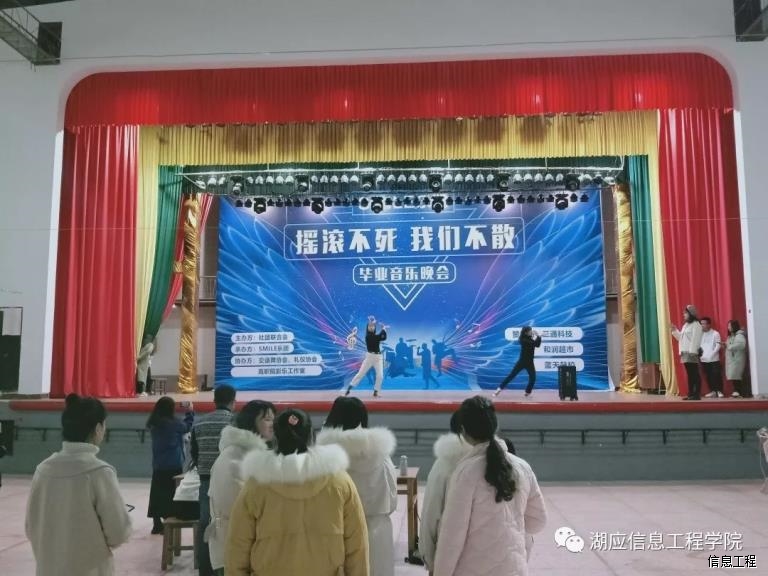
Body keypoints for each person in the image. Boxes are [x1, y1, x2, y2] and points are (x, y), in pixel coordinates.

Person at [226, 408, 369, 576]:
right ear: (311, 436)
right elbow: (357, 545)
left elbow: (237, 545)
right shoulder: (340, 481)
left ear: (276, 437)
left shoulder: (256, 485)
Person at [433, 396, 547, 576]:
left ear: (463, 431)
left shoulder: (466, 473)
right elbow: (537, 522)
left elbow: (452, 535)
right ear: (494, 425)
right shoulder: (522, 467)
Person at [26, 394, 132, 576]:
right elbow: (118, 532)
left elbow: (31, 527)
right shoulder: (99, 472)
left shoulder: (42, 470)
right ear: (98, 428)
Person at [317, 397, 398, 576]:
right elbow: (392, 496)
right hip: (377, 528)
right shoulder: (380, 450)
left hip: (338, 531)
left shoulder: (325, 454)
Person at [207, 400, 274, 576]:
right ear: (251, 421)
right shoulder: (234, 459)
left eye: (273, 419)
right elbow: (238, 508)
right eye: (267, 419)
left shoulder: (248, 454)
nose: (272, 424)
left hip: (243, 544)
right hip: (234, 546)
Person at [420, 411, 473, 573]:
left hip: (450, 558)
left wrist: (428, 556)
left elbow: (431, 513)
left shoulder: (444, 465)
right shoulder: (506, 464)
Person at [191, 384, 236, 576]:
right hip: (229, 479)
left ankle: (205, 569)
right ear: (233, 402)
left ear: (214, 401)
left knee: (205, 523)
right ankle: (226, 566)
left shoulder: (199, 423)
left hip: (205, 479)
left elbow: (194, 453)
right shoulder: (234, 423)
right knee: (229, 522)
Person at [146, 396, 195, 534]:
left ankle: (156, 523)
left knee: (156, 493)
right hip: (173, 463)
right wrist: (190, 411)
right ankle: (168, 521)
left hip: (158, 463)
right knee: (171, 494)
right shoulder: (172, 423)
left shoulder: (154, 423)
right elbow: (187, 426)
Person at [345, 315, 388, 398]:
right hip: (369, 357)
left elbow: (383, 337)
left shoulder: (373, 336)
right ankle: (349, 388)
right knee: (360, 373)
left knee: (380, 376)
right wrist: (383, 328)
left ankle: (376, 392)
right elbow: (383, 337)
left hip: (378, 358)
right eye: (370, 327)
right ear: (368, 328)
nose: (371, 328)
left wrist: (373, 321)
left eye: (373, 327)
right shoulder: (370, 337)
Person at [494, 326, 542, 397]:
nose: (531, 332)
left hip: (530, 362)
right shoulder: (523, 339)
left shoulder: (530, 339)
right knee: (511, 376)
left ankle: (527, 392)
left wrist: (538, 337)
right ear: (525, 332)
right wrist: (538, 336)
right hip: (522, 362)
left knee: (533, 378)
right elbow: (534, 344)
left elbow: (537, 345)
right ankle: (499, 389)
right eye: (530, 331)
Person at [671, 305, 704, 400]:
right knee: (690, 374)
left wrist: (693, 352)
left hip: (691, 352)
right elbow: (681, 338)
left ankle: (696, 394)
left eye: (685, 313)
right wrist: (674, 330)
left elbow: (696, 339)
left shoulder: (696, 324)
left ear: (691, 314)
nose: (684, 315)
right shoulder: (686, 325)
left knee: (694, 374)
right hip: (685, 352)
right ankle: (690, 393)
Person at [699, 317, 724, 398]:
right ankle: (713, 391)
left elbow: (718, 345)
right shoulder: (700, 334)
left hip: (714, 359)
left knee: (716, 375)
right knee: (708, 376)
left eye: (704, 324)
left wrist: (712, 354)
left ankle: (719, 391)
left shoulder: (715, 333)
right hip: (703, 359)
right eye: (701, 324)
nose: (702, 325)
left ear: (709, 324)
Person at [723, 320, 748, 398]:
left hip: (737, 359)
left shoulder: (739, 335)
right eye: (728, 326)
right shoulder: (731, 336)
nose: (728, 328)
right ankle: (736, 392)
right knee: (734, 376)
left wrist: (729, 346)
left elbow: (741, 344)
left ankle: (738, 392)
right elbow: (729, 344)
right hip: (732, 359)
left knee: (736, 375)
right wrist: (725, 345)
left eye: (730, 326)